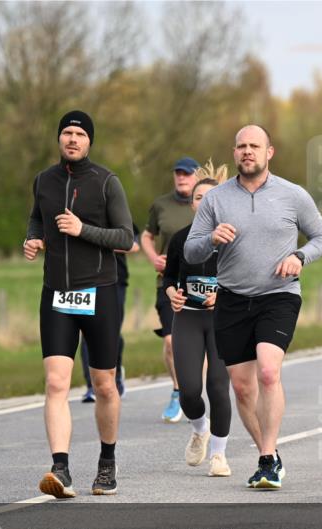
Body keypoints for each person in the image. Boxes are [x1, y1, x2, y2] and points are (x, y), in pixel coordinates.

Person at [185, 125, 322, 489]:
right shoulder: (217, 199)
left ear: (270, 152)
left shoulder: (292, 195)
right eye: (241, 146)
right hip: (232, 299)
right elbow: (191, 250)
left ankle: (266, 459)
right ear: (234, 153)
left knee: (268, 372)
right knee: (243, 388)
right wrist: (210, 239)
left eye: (254, 146)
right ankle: (271, 455)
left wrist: (299, 256)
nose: (247, 151)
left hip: (278, 295)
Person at [23, 110, 134, 498]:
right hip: (56, 293)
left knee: (104, 384)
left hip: (100, 292)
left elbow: (126, 238)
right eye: (67, 133)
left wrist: (81, 229)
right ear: (59, 138)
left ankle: (107, 462)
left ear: (89, 141)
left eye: (79, 134)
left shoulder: (106, 182)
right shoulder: (44, 181)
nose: (72, 139)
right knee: (56, 382)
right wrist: (33, 239)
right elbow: (37, 220)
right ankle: (61, 469)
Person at [165, 163, 232, 477]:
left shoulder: (231, 235)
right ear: (192, 204)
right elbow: (168, 277)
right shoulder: (180, 239)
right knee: (190, 391)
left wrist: (222, 293)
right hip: (188, 318)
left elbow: (245, 277)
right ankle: (200, 428)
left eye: (210, 196)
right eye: (198, 197)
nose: (203, 202)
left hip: (222, 320)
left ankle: (219, 455)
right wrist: (171, 294)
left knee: (218, 386)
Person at [143, 156, 199, 423]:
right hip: (168, 283)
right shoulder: (160, 204)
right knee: (170, 341)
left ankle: (196, 391)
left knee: (201, 344)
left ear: (196, 177)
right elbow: (146, 235)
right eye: (178, 173)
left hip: (201, 284)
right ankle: (178, 391)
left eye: (187, 174)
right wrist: (153, 257)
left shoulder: (206, 203)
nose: (181, 178)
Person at [81, 223, 138, 402]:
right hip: (84, 282)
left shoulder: (117, 213)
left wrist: (99, 240)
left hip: (115, 281)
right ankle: (91, 386)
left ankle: (117, 376)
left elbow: (134, 245)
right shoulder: (79, 215)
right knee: (87, 334)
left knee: (111, 332)